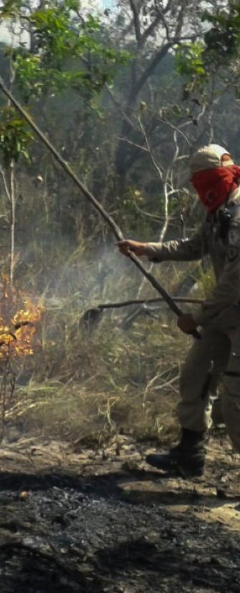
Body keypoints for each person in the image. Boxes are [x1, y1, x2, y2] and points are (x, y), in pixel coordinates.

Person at [117, 144, 240, 477]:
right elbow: (195, 247)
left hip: (232, 311)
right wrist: (146, 249)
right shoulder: (218, 213)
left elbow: (233, 281)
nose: (204, 190)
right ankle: (190, 454)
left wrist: (197, 317)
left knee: (235, 398)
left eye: (208, 181)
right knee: (195, 375)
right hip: (225, 316)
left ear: (225, 176)